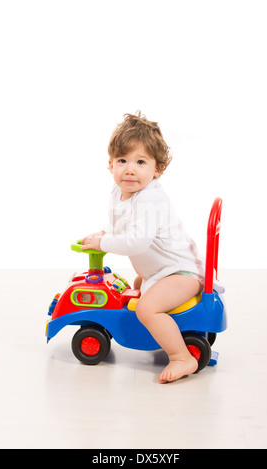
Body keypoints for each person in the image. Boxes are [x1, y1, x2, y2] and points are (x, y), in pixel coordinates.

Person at [81, 112, 205, 383]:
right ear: (110, 164)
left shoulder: (149, 199)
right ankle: (151, 334)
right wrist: (103, 235)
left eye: (140, 162)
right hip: (160, 271)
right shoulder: (120, 192)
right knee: (135, 286)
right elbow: (122, 229)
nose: (130, 169)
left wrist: (103, 243)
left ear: (157, 169)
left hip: (181, 273)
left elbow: (136, 241)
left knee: (146, 308)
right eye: (122, 160)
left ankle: (182, 357)